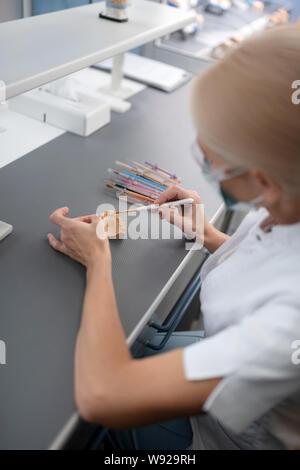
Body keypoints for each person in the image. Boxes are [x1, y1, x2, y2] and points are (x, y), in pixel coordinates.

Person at [48, 25, 300, 450]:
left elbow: (105, 396)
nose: (202, 157)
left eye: (209, 155)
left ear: (264, 180)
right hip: (220, 360)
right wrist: (208, 235)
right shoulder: (287, 200)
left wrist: (98, 262)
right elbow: (273, 259)